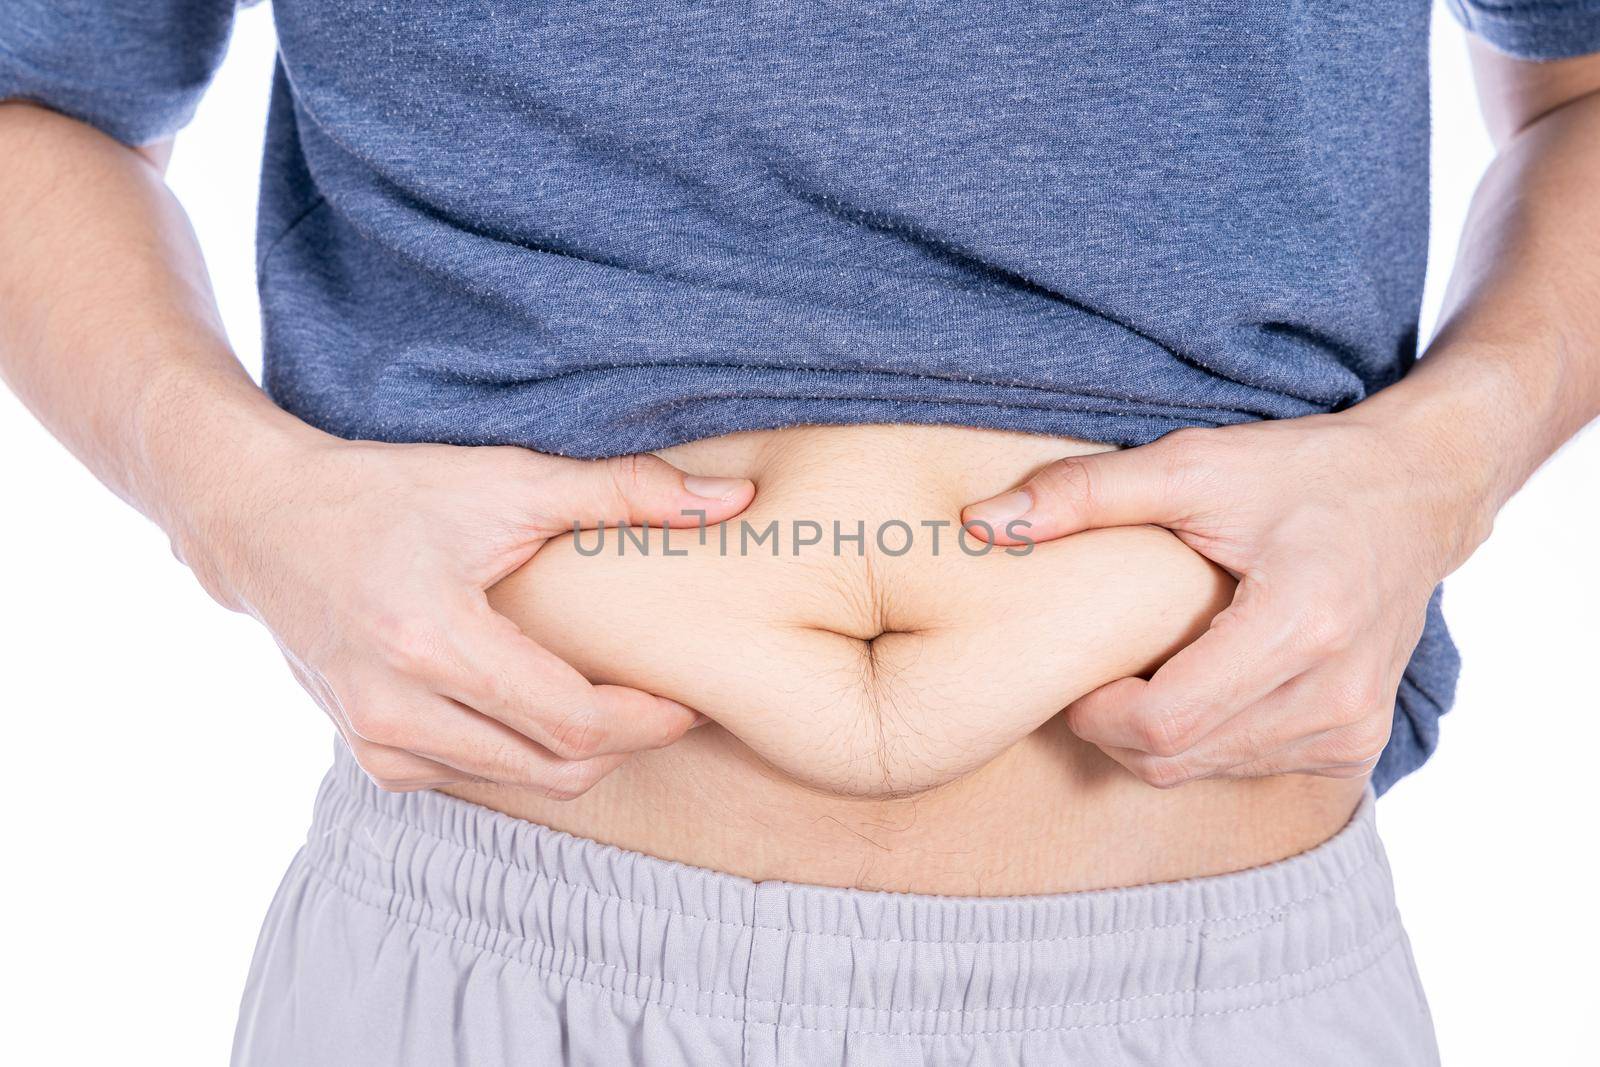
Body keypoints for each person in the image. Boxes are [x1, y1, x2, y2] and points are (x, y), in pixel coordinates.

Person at [1, 2, 1596, 1063]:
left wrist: (1444, 462)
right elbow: (39, 101)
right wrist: (236, 498)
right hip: (500, 954)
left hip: (1220, 971)